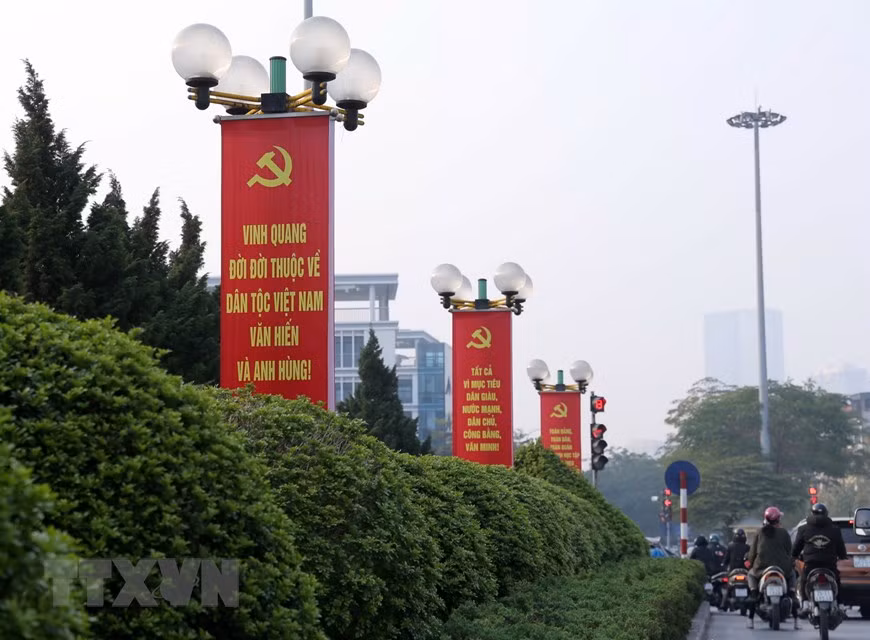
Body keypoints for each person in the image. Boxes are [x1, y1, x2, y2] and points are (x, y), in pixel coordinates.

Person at [745, 506, 799, 630]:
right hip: (783, 569)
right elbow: (789, 552)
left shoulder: (759, 532)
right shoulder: (784, 533)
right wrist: (791, 563)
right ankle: (796, 620)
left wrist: (750, 563)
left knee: (751, 577)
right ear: (778, 519)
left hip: (761, 569)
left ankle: (750, 618)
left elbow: (752, 553)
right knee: (792, 590)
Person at [792, 503, 847, 611]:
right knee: (837, 580)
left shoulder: (803, 529)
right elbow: (840, 547)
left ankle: (805, 603)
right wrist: (842, 556)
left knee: (803, 579)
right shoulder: (835, 529)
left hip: (811, 563)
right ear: (826, 514)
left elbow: (797, 546)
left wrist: (794, 555)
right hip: (829, 564)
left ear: (812, 513)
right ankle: (840, 603)